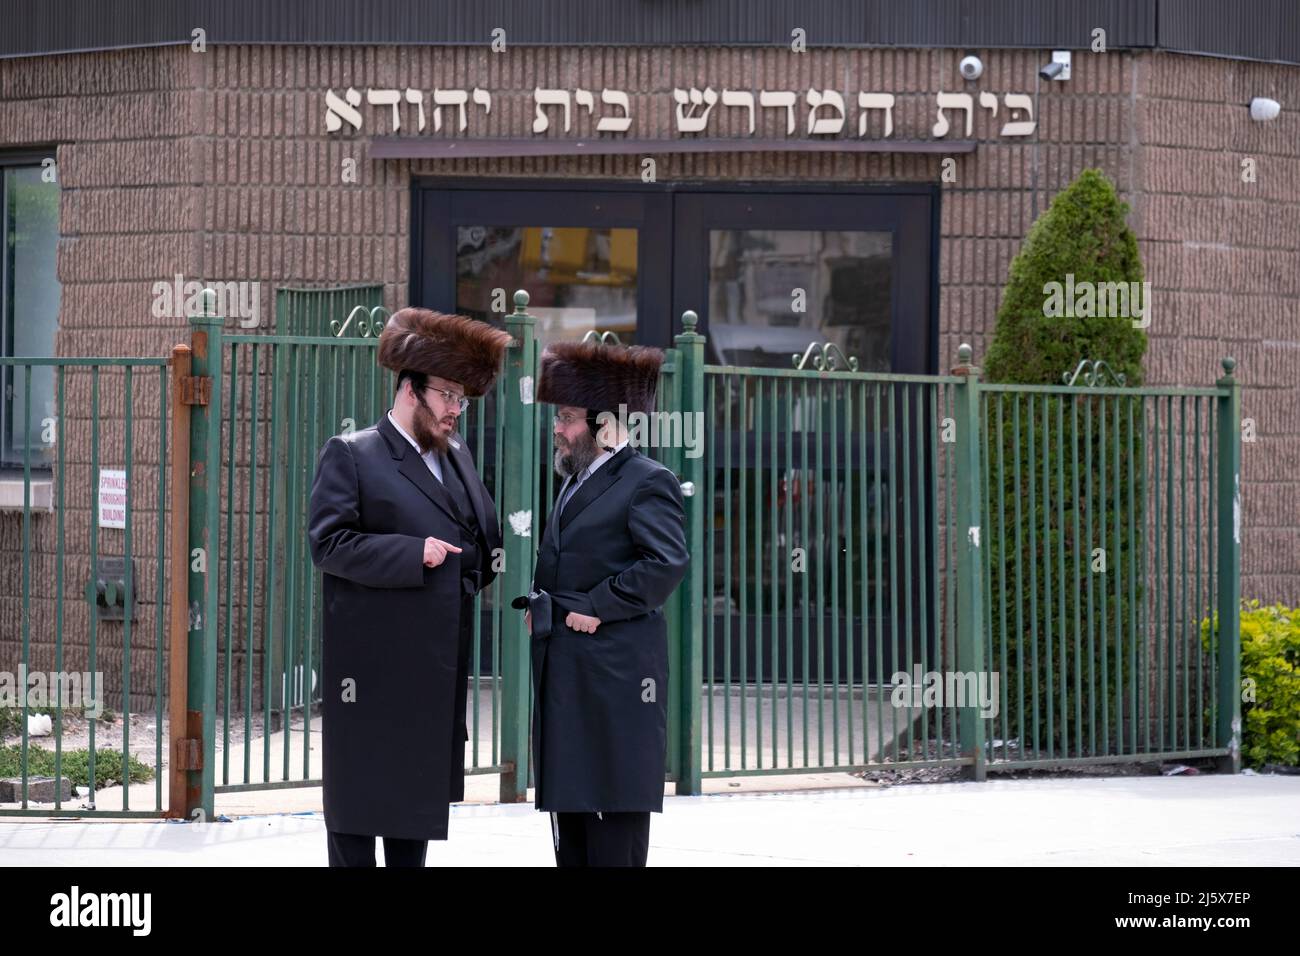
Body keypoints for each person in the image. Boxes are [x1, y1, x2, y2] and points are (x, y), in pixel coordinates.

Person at [308, 307, 511, 867]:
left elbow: (479, 533)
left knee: (412, 814)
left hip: (434, 664)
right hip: (371, 668)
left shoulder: (458, 454)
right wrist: (411, 553)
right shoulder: (353, 453)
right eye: (447, 395)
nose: (455, 410)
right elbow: (328, 545)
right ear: (409, 390)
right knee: (358, 809)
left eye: (463, 400)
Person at [514, 340, 690, 867]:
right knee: (571, 805)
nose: (558, 428)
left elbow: (666, 563)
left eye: (567, 418)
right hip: (568, 665)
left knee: (613, 804)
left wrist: (596, 604)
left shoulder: (647, 481)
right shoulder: (575, 479)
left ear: (603, 422)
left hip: (616, 673)